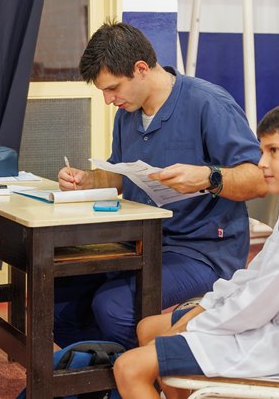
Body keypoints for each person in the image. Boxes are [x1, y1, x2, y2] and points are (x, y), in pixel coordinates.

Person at [112, 98, 279, 399]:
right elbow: (255, 276)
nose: (262, 163)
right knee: (149, 328)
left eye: (273, 151)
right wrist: (203, 308)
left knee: (129, 368)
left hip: (275, 344)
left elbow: (258, 302)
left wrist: (193, 326)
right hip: (264, 324)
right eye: (262, 151)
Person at [57, 21, 267, 350]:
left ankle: (150, 369)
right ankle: (111, 366)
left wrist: (209, 177)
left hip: (203, 252)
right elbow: (121, 175)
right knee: (60, 299)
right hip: (142, 244)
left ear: (141, 69)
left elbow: (258, 179)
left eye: (113, 88)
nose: (109, 100)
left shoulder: (208, 103)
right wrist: (88, 180)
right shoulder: (127, 114)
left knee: (112, 306)